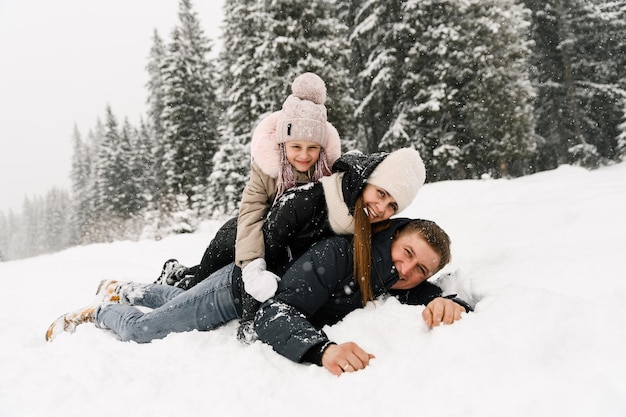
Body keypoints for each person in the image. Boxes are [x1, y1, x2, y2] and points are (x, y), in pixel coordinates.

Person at [45, 218, 472, 376]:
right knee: (144, 330)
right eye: (408, 254)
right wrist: (319, 349)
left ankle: (126, 288)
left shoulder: (394, 276)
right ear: (393, 237)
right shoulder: (339, 255)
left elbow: (442, 290)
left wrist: (451, 302)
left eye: (422, 269)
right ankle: (103, 311)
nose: (408, 270)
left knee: (171, 298)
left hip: (238, 286)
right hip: (234, 292)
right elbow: (274, 312)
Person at [158, 148, 426, 331]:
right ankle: (177, 272)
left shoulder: (363, 221)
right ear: (365, 180)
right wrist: (252, 319)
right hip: (242, 242)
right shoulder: (305, 201)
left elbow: (388, 267)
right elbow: (267, 257)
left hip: (273, 250)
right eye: (380, 193)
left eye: (392, 206)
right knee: (197, 283)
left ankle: (181, 274)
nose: (381, 208)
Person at [178, 71, 341, 307]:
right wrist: (253, 265)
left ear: (322, 148)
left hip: (291, 245)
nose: (304, 156)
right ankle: (189, 281)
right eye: (296, 146)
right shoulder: (267, 170)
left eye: (312, 148)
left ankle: (190, 275)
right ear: (284, 144)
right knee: (224, 247)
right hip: (259, 235)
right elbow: (251, 213)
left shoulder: (326, 172)